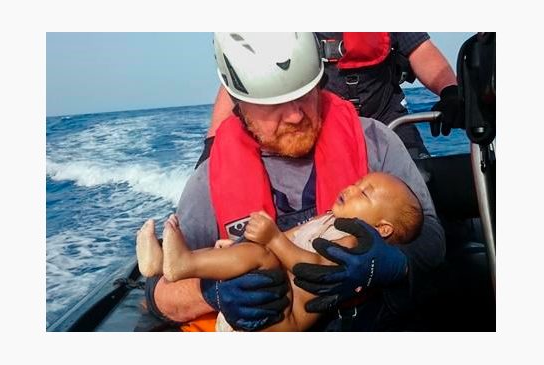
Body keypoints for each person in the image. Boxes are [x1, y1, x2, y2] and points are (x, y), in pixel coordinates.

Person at [140, 32, 445, 332]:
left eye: (304, 95)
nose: (296, 116)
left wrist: (392, 262)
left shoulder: (377, 142)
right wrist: (211, 293)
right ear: (240, 104)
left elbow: (432, 238)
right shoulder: (208, 181)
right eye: (275, 105)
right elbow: (159, 292)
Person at [137, 172, 423, 331]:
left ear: (383, 229)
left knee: (261, 257)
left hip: (281, 320)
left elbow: (314, 269)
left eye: (364, 193)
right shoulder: (327, 221)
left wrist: (273, 239)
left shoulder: (353, 244)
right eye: (358, 182)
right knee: (253, 252)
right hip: (242, 312)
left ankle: (182, 261)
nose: (350, 187)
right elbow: (291, 237)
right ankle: (168, 263)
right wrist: (235, 254)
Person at [195, 32, 462, 168]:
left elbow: (422, 50)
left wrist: (451, 91)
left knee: (422, 181)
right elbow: (244, 77)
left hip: (389, 123)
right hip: (318, 127)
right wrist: (213, 144)